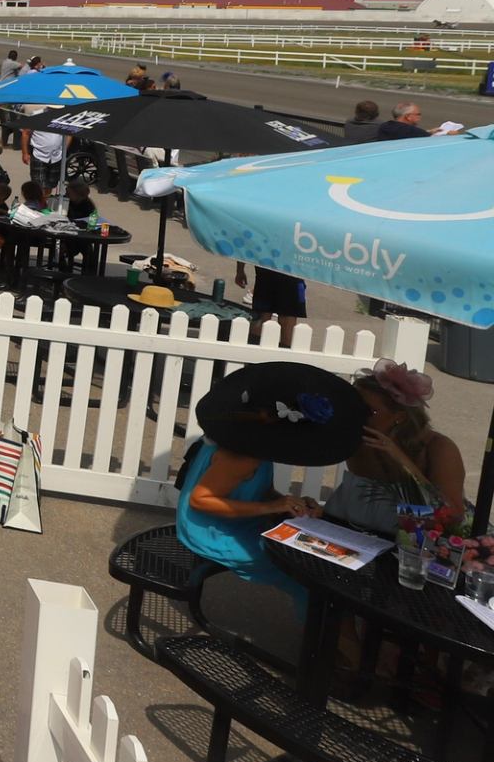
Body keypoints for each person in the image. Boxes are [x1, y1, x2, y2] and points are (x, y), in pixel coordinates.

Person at [177, 362, 366, 613]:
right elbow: (200, 500)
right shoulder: (243, 456)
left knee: (315, 564)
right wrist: (272, 506)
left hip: (231, 523)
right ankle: (323, 635)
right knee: (308, 575)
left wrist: (287, 502)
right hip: (212, 532)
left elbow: (252, 490)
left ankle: (328, 628)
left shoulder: (249, 442)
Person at [324, 359, 466, 533]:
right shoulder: (359, 437)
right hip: (358, 528)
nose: (356, 415)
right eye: (353, 406)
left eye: (369, 411)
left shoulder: (439, 449)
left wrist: (402, 460)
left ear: (399, 417)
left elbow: (451, 515)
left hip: (422, 541)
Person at [235, 262, 307, 344]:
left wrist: (240, 270)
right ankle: (285, 352)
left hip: (267, 266)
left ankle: (255, 349)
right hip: (289, 268)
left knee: (264, 315)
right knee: (285, 316)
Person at [22, 108, 68, 204]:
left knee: (51, 184)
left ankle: (44, 202)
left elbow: (69, 134)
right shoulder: (36, 115)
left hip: (56, 156)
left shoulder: (65, 117)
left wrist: (64, 149)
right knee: (39, 184)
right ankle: (38, 204)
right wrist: (25, 153)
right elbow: (25, 133)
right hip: (39, 154)